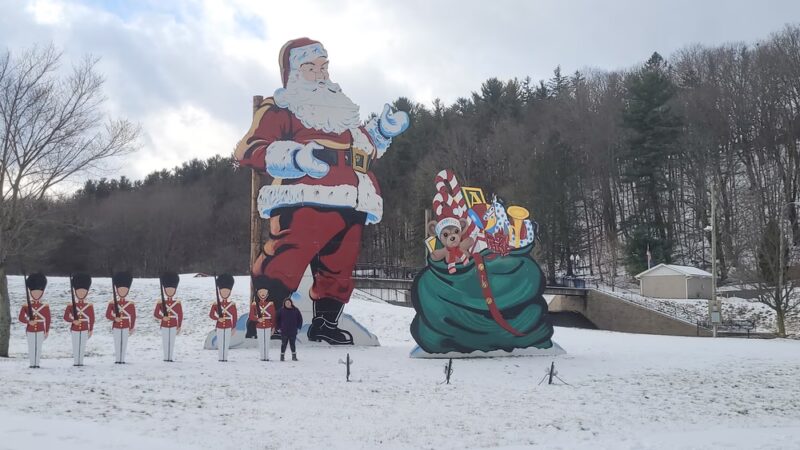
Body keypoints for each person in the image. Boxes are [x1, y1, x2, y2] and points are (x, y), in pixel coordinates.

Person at [234, 38, 409, 345]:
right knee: (286, 259)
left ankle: (326, 323)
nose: (321, 73)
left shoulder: (341, 110)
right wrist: (294, 157)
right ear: (293, 72)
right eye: (311, 67)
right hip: (302, 198)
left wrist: (382, 131)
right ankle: (266, 319)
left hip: (352, 200)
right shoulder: (281, 108)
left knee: (340, 267)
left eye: (324, 66)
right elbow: (249, 149)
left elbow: (362, 146)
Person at [18, 273, 50, 368]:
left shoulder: (45, 306)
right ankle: (32, 363)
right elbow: (21, 317)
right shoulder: (26, 305)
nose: (36, 294)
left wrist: (47, 330)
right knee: (31, 347)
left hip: (40, 329)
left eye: (39, 292)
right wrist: (28, 322)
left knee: (38, 347)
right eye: (34, 292)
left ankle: (37, 363)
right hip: (30, 329)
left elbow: (47, 319)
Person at [63, 273, 94, 366]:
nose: (81, 293)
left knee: (82, 346)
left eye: (83, 292)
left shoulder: (89, 306)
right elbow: (65, 317)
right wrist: (73, 321)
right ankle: (76, 361)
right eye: (79, 292)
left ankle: (81, 361)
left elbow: (92, 318)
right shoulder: (70, 305)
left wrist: (91, 329)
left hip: (84, 328)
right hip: (75, 328)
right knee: (76, 346)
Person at [106, 271, 136, 364]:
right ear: (117, 290)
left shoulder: (130, 304)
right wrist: (115, 318)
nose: (122, 292)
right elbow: (107, 315)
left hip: (126, 325)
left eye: (124, 290)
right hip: (116, 326)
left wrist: (131, 327)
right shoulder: (112, 303)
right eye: (120, 290)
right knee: (117, 343)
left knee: (124, 343)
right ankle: (117, 359)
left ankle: (122, 359)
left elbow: (133, 316)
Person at [154, 271, 183, 362]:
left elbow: (180, 315)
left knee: (172, 342)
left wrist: (179, 325)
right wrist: (163, 317)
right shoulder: (160, 302)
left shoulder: (177, 303)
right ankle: (166, 357)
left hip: (174, 324)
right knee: (165, 341)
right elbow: (156, 314)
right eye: (168, 290)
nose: (170, 291)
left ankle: (170, 357)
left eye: (172, 290)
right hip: (164, 324)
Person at [209, 274, 238, 362]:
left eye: (227, 291)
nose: (225, 293)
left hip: (228, 325)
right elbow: (211, 315)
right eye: (223, 291)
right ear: (219, 292)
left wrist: (234, 327)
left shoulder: (232, 305)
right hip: (219, 326)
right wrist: (218, 319)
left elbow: (235, 317)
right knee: (220, 342)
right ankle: (220, 358)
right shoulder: (216, 304)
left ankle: (225, 357)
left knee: (226, 343)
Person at [249, 276, 275, 361]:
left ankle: (266, 356)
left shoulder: (270, 304)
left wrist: (273, 326)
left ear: (267, 293)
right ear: (258, 293)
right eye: (261, 291)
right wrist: (257, 319)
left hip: (268, 325)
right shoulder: (254, 304)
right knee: (261, 341)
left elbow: (273, 316)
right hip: (259, 326)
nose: (263, 293)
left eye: (264, 291)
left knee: (267, 342)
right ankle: (262, 357)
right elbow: (251, 316)